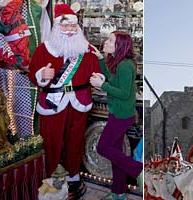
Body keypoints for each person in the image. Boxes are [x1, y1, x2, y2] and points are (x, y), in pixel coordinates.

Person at [28, 3, 100, 198]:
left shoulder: (86, 50)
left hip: (79, 101)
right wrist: (42, 73)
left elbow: (96, 71)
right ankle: (48, 178)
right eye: (65, 26)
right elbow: (32, 73)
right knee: (50, 141)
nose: (69, 30)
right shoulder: (45, 49)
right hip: (53, 101)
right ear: (57, 26)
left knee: (75, 141)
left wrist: (98, 79)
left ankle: (73, 177)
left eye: (73, 27)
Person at [90, 31, 142, 200]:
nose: (106, 42)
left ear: (119, 46)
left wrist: (102, 85)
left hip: (121, 115)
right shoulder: (117, 62)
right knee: (116, 153)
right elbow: (110, 75)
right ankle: (118, 193)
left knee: (103, 148)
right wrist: (99, 57)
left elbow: (124, 93)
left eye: (110, 40)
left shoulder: (125, 65)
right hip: (117, 112)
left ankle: (138, 169)